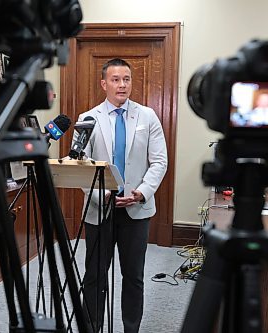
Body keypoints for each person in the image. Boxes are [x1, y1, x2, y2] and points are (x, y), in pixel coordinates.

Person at [72, 58, 168, 332]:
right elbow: (80, 165)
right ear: (104, 84)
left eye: (126, 79)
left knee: (133, 276)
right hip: (99, 208)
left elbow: (159, 161)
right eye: (115, 79)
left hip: (137, 210)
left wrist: (140, 193)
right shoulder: (87, 118)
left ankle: (131, 328)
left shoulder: (147, 116)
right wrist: (99, 195)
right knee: (95, 275)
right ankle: (91, 327)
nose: (122, 84)